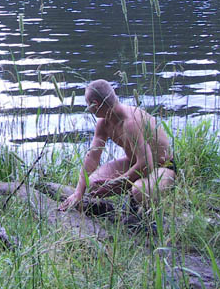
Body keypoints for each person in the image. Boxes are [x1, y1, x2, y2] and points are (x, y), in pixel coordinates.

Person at [58, 79, 175, 212]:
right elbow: (92, 157)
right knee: (92, 185)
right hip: (135, 163)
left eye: (87, 104)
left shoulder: (130, 123)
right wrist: (78, 193)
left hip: (163, 167)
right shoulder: (103, 123)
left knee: (139, 191)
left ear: (95, 104)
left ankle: (146, 206)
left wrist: (115, 183)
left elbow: (147, 165)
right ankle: (128, 198)